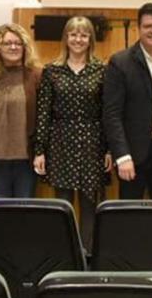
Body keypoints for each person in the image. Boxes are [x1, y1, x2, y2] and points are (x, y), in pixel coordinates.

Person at [33, 16, 111, 250]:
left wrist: (109, 149)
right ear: (66, 38)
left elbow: (107, 113)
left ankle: (87, 255)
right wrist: (39, 150)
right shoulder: (52, 71)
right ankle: (64, 254)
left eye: (84, 35)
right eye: (73, 34)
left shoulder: (101, 70)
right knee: (62, 205)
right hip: (60, 141)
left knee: (90, 205)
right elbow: (43, 113)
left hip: (92, 143)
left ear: (90, 40)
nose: (78, 39)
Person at [103, 3, 152, 199]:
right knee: (130, 217)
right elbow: (111, 114)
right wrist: (122, 155)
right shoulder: (120, 62)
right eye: (148, 26)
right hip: (133, 153)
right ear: (138, 28)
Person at [0, 23, 42, 198]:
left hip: (26, 157)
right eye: (8, 43)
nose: (13, 47)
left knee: (24, 208)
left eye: (18, 43)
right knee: (0, 209)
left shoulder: (36, 75)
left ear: (25, 47)